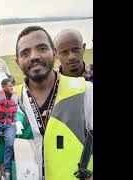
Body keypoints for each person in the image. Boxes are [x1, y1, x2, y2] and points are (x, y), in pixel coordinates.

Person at [15, 26, 93, 180]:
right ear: (17, 62)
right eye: (25, 53)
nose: (34, 56)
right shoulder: (12, 98)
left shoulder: (85, 91)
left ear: (54, 52)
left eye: (42, 48)